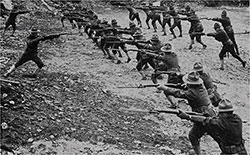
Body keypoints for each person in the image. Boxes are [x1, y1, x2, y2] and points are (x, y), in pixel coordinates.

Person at [157, 71, 216, 155]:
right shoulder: (201, 86)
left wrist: (165, 88)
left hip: (202, 114)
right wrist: (185, 86)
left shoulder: (192, 93)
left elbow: (178, 93)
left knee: (193, 135)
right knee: (213, 132)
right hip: (210, 111)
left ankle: (198, 153)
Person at [178, 99, 248, 155]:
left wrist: (188, 117)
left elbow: (207, 121)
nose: (219, 114)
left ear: (225, 114)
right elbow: (215, 120)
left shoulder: (222, 123)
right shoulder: (236, 118)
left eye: (220, 113)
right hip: (240, 151)